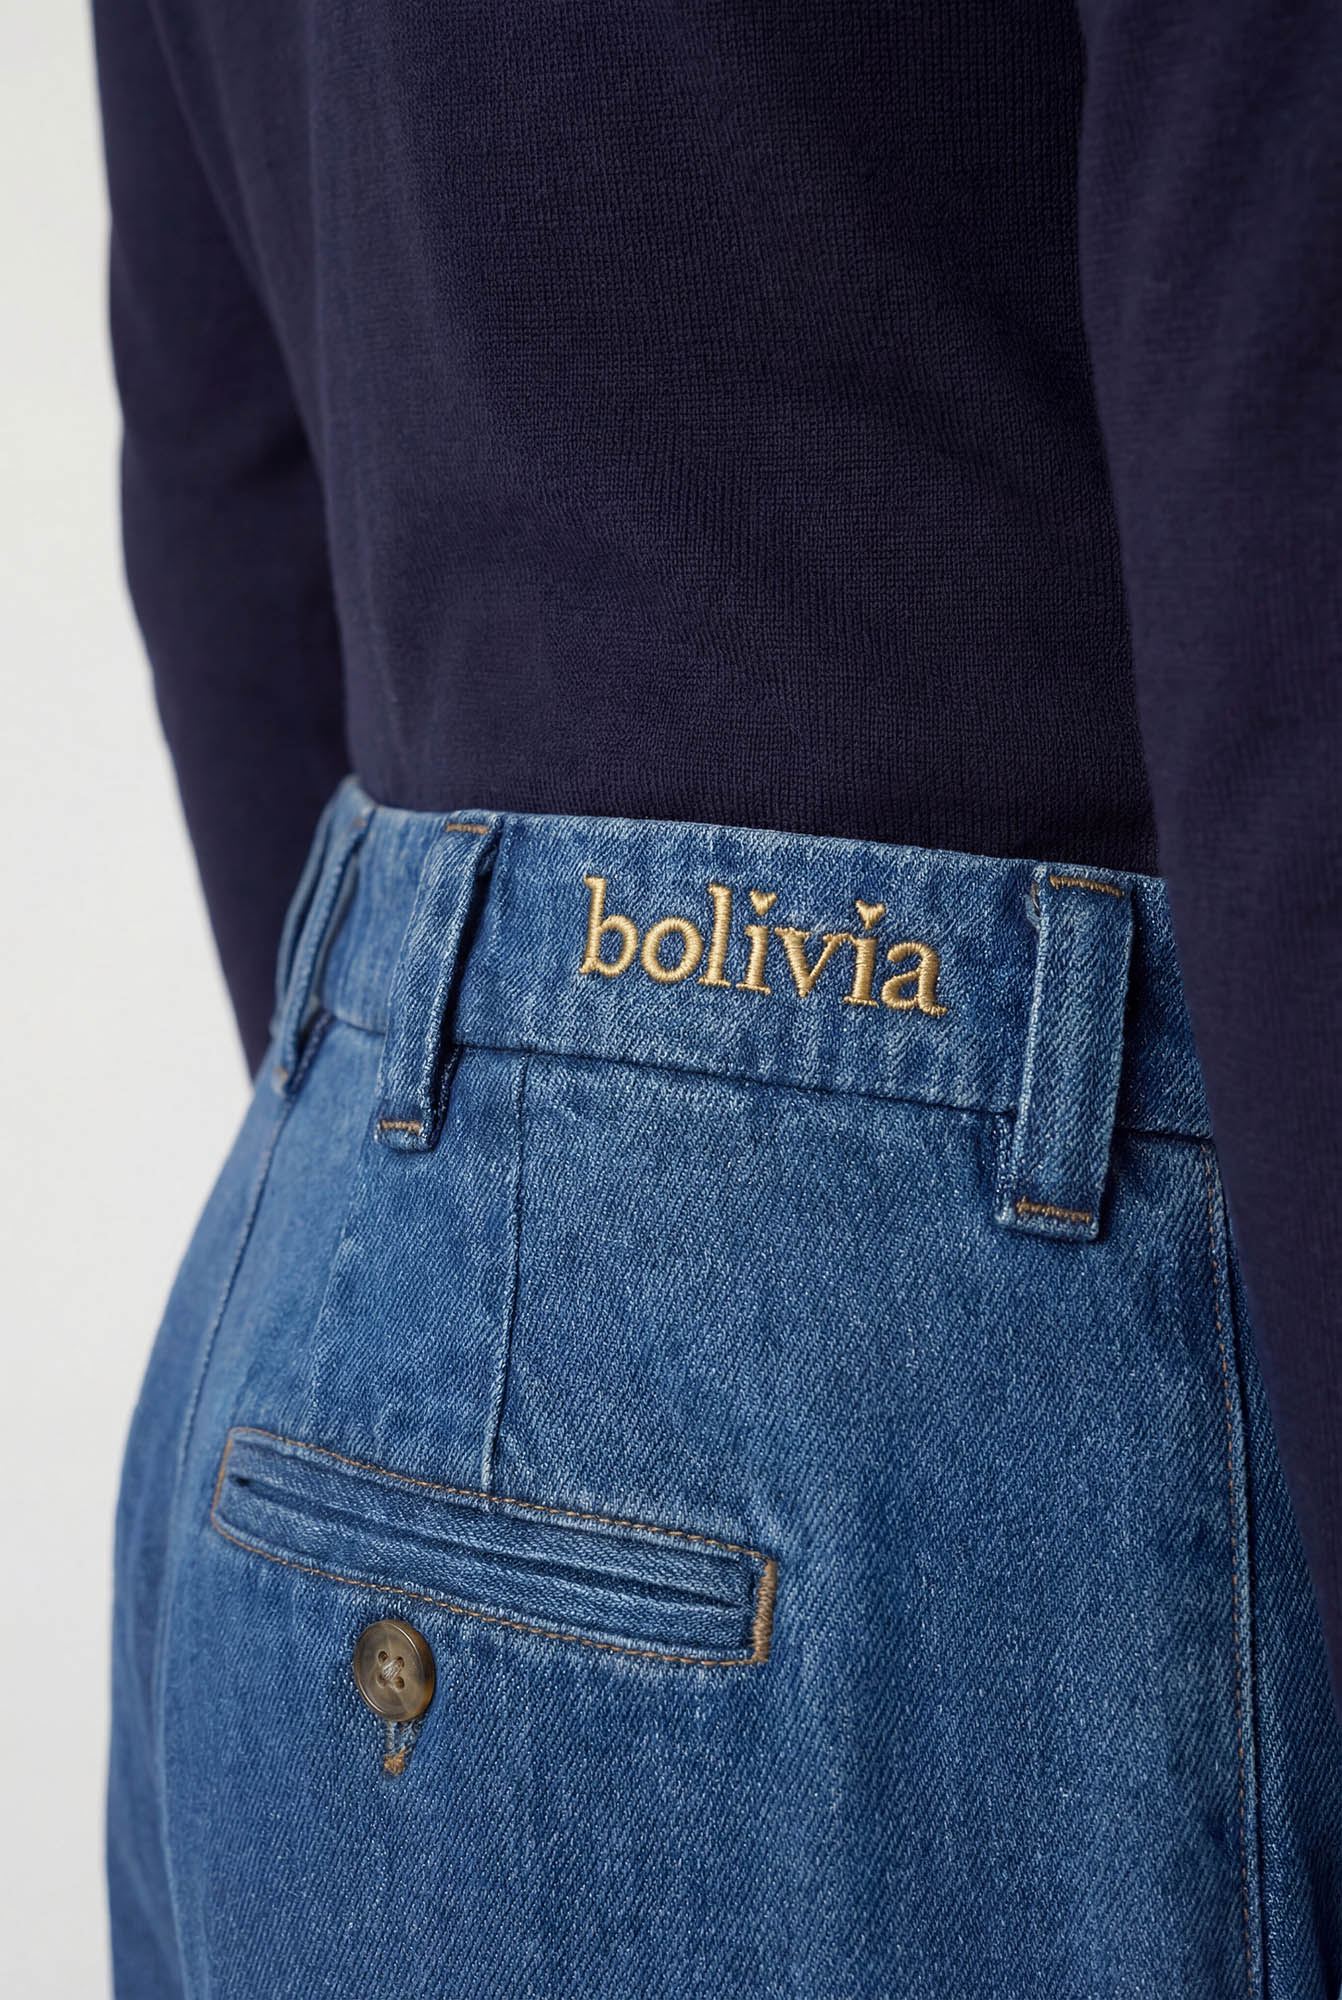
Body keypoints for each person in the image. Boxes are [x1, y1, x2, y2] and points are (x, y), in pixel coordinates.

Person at [91, 1, 1342, 1992]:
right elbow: (1288, 509)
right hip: (990, 1364)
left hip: (309, 1330)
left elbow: (220, 469)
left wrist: (480, 1123)